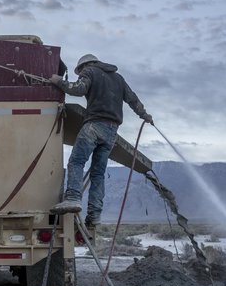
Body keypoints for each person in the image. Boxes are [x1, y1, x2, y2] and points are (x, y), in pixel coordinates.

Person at [49, 54, 153, 239]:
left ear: (84, 66)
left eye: (79, 71)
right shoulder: (118, 78)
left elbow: (78, 89)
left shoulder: (89, 72)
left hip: (94, 126)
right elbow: (133, 99)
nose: (80, 73)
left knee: (76, 161)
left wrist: (57, 81)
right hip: (111, 132)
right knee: (98, 173)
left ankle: (72, 198)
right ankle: (95, 214)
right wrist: (144, 115)